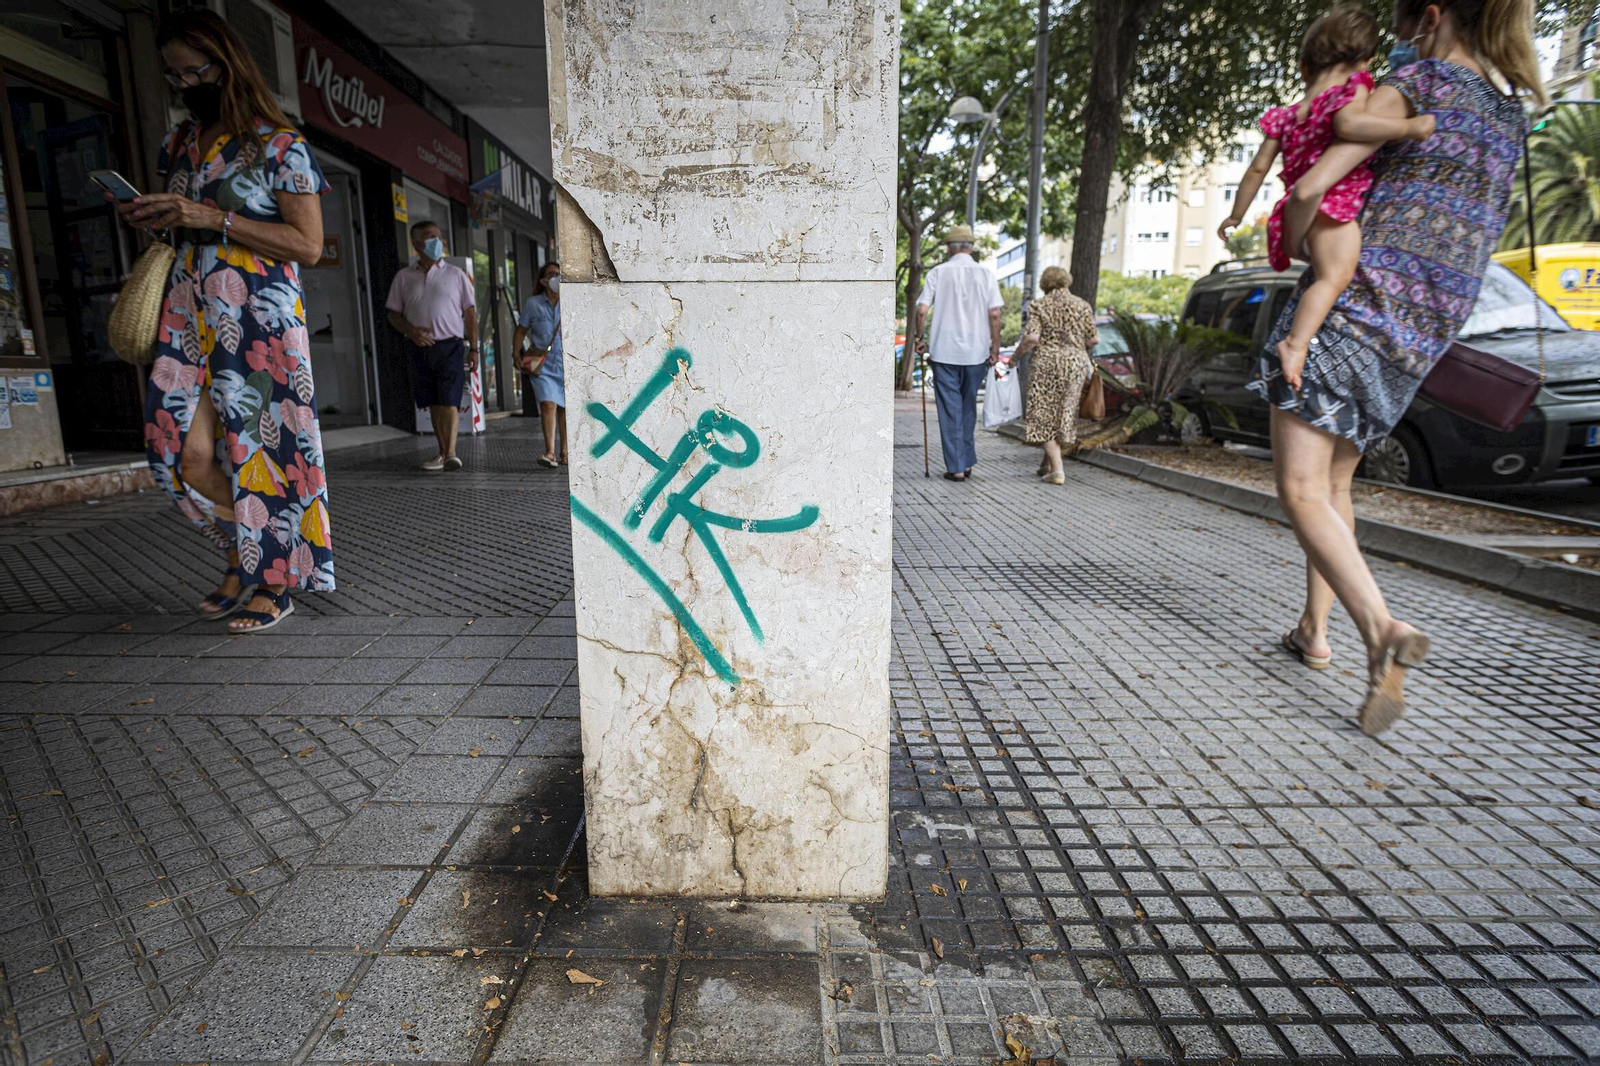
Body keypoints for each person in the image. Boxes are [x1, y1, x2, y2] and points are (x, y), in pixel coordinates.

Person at [1247, 0, 1543, 735]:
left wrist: (1285, 235)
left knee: (1299, 486)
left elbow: (1316, 182)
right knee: (1336, 482)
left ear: (1432, 16)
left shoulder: (1422, 82)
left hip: (1352, 308)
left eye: (1408, 27)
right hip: (1424, 331)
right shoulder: (1509, 119)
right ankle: (1314, 632)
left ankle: (1382, 631)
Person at [120, 8, 333, 635]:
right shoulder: (178, 145)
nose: (186, 85)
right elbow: (185, 218)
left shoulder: (279, 145)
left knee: (266, 449)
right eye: (173, 76)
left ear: (228, 63)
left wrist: (215, 219)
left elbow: (309, 245)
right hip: (188, 315)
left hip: (260, 322)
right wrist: (161, 216)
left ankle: (273, 578)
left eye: (195, 70)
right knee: (182, 452)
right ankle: (250, 552)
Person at [1220, 7, 1435, 388]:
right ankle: (1296, 344)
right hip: (1333, 205)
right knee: (1335, 277)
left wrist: (1236, 214)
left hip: (1295, 211)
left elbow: (1256, 169)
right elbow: (1349, 124)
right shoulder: (1354, 87)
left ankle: (1297, 340)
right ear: (1364, 61)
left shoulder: (1286, 115)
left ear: (1304, 69)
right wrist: (1409, 127)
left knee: (1323, 273)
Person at [385, 221, 479, 471]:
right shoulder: (404, 277)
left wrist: (474, 347)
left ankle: (451, 453)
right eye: (430, 237)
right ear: (416, 243)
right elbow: (393, 313)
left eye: (439, 236)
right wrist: (410, 331)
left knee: (450, 400)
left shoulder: (456, 275)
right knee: (434, 402)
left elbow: (470, 313)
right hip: (418, 347)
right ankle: (441, 452)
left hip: (450, 346)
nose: (437, 241)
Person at [914, 225, 1003, 482]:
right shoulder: (986, 274)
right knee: (967, 408)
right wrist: (995, 348)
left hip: (944, 353)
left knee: (949, 409)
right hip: (976, 352)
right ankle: (967, 461)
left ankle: (956, 467)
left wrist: (921, 339)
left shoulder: (938, 273)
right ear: (971, 248)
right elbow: (995, 314)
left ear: (948, 247)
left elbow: (921, 310)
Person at [1011, 267, 1098, 485]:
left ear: (1045, 283)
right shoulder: (1082, 305)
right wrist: (1076, 348)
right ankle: (1047, 464)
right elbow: (1094, 339)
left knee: (1043, 414)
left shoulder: (1040, 304)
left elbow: (1032, 338)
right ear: (1067, 281)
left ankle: (1057, 470)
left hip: (1047, 363)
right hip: (1075, 363)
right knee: (1063, 413)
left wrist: (1015, 357)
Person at [511, 261, 566, 468]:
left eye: (559, 274)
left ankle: (565, 452)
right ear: (543, 280)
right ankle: (550, 451)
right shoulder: (533, 304)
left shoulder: (570, 300)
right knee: (548, 404)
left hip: (567, 364)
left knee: (564, 408)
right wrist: (515, 353)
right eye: (552, 274)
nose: (556, 277)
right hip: (542, 365)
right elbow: (521, 330)